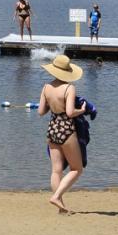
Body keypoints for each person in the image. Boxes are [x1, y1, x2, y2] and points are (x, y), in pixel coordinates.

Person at [36, 54, 87, 214]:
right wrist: (83, 110)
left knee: (56, 170)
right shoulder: (69, 88)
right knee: (76, 169)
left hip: (52, 128)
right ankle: (57, 196)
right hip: (66, 128)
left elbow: (40, 112)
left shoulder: (46, 87)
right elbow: (71, 112)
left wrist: (52, 104)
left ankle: (61, 208)